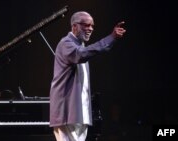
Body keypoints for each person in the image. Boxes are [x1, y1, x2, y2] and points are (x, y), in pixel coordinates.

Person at [49, 11, 126, 141]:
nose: (90, 29)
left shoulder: (80, 46)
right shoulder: (66, 44)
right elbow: (83, 54)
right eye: (86, 25)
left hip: (79, 113)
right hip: (67, 112)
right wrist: (111, 37)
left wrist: (112, 39)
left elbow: (91, 51)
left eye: (92, 26)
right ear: (74, 26)